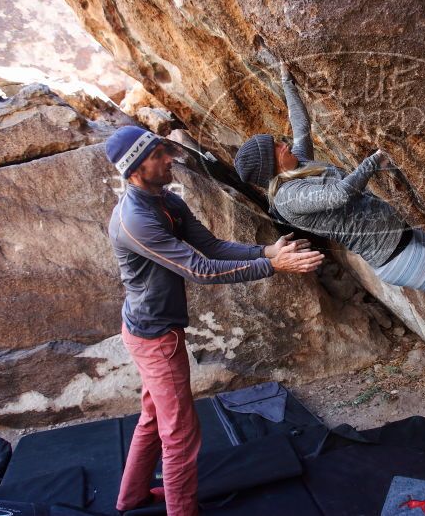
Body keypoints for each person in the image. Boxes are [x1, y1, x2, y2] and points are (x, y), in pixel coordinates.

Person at [234, 64, 425, 380]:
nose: (284, 143)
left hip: (403, 238)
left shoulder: (299, 164)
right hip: (397, 257)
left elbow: (300, 126)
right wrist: (375, 158)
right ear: (271, 167)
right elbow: (339, 194)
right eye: (276, 147)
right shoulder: (289, 197)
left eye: (277, 140)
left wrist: (286, 79)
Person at [105, 126, 324, 515]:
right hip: (155, 338)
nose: (169, 158)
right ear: (136, 169)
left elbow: (210, 245)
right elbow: (201, 270)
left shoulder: (166, 201)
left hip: (150, 329)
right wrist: (272, 266)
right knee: (181, 435)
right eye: (158, 155)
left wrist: (264, 249)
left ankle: (131, 498)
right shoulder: (135, 219)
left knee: (155, 419)